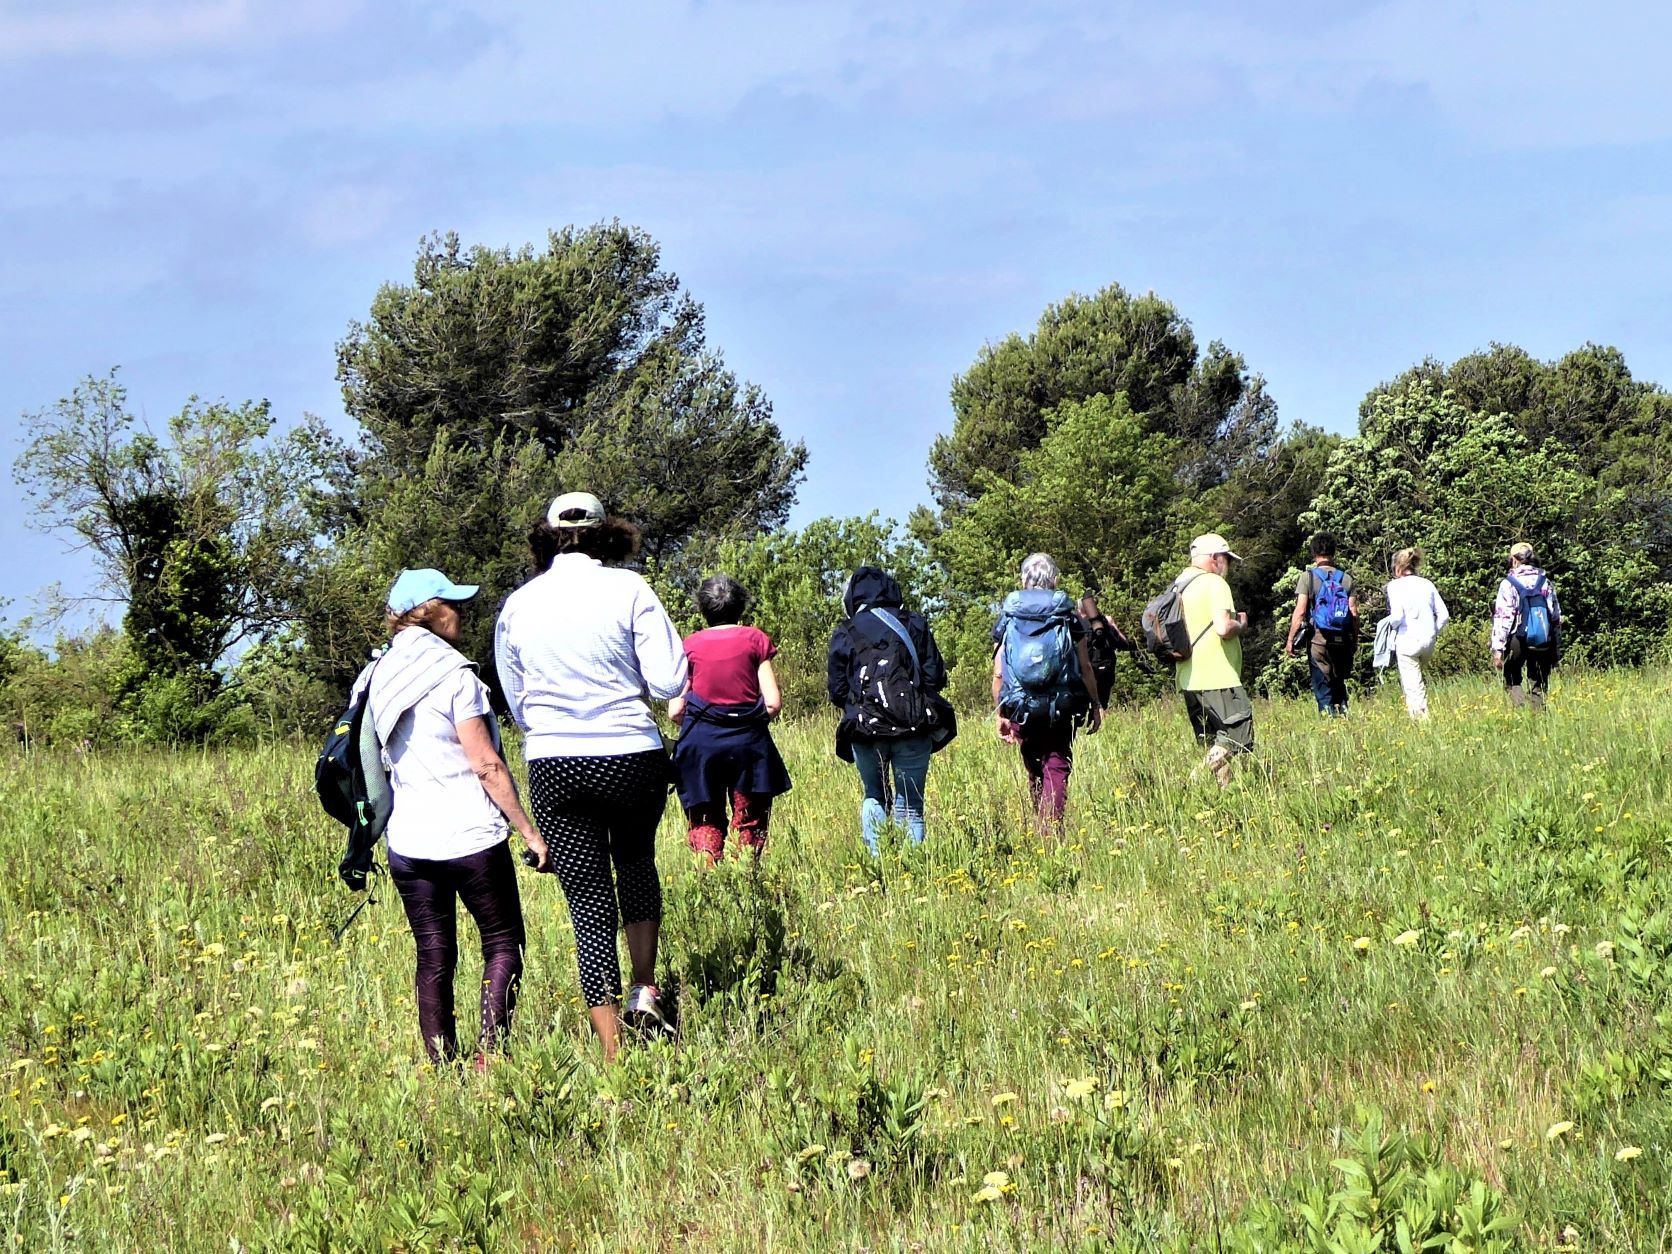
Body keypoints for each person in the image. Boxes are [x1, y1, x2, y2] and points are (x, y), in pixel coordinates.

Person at [494, 493, 688, 1062]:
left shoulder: (518, 606)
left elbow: (517, 697)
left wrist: (553, 729)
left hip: (556, 762)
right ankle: (645, 988)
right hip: (631, 754)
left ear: (547, 537)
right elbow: (667, 679)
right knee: (636, 863)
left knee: (587, 904)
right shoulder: (631, 591)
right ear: (609, 535)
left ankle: (611, 1053)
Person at [361, 568, 548, 1067]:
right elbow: (485, 764)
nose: (461, 612)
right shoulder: (453, 675)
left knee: (433, 955)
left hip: (409, 842)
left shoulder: (378, 673)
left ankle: (442, 1065)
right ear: (427, 611)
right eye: (453, 603)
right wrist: (529, 832)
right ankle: (491, 1054)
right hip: (470, 837)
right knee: (504, 944)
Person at [827, 566, 954, 856]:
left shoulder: (846, 630)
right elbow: (936, 677)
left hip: (864, 729)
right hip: (913, 725)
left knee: (874, 795)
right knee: (910, 805)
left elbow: (836, 690)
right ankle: (913, 871)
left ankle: (879, 866)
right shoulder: (914, 623)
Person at [667, 575, 792, 865]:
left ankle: (712, 885)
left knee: (705, 820)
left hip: (699, 749)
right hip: (749, 748)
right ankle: (744, 882)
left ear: (703, 609)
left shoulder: (690, 645)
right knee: (749, 822)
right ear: (740, 607)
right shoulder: (755, 639)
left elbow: (675, 710)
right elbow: (772, 702)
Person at [993, 554, 1104, 832]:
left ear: (1024, 579)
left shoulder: (1010, 613)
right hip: (1061, 703)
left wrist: (1000, 712)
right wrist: (1095, 703)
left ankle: (1042, 821)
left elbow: (999, 670)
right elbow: (1085, 665)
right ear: (1054, 578)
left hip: (1020, 702)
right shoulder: (1066, 613)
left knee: (1035, 763)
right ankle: (1050, 828)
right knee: (1056, 762)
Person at [1176, 534, 1253, 786]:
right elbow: (1222, 627)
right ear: (1215, 559)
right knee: (1237, 737)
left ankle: (1224, 792)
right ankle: (1192, 781)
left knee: (1212, 741)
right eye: (1226, 559)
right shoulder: (1215, 584)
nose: (1228, 565)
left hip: (1189, 679)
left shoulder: (1181, 584)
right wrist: (1240, 625)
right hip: (1218, 676)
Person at [1284, 532, 1361, 717]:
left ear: (1314, 553)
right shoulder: (1346, 578)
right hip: (1342, 639)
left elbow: (1300, 611)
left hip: (1318, 640)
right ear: (1334, 552)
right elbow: (1354, 612)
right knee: (1339, 682)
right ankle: (1344, 717)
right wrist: (1354, 639)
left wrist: (1290, 639)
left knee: (1322, 684)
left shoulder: (1308, 577)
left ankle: (1328, 722)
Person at [1491, 541, 1563, 710]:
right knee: (1538, 683)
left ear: (1514, 560)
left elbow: (1503, 617)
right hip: (1544, 639)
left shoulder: (1509, 583)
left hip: (1518, 639)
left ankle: (1521, 708)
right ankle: (1538, 717)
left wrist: (1498, 649)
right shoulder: (1545, 582)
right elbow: (1555, 616)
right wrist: (1556, 646)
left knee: (1511, 677)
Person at [1383, 547, 1450, 719]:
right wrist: (1433, 632)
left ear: (1398, 567)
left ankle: (1421, 721)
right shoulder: (1427, 584)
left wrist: (1386, 624)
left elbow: (1397, 616)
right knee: (1418, 679)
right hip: (1428, 640)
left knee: (1413, 685)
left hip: (1408, 641)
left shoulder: (1394, 586)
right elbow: (1444, 615)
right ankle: (1421, 717)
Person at [1078, 593, 1136, 709]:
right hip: (1106, 671)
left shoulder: (1077, 625)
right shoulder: (1102, 624)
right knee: (1102, 705)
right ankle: (1102, 722)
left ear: (1079, 610)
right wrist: (1113, 625)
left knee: (1084, 706)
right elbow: (1124, 644)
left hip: (1085, 671)